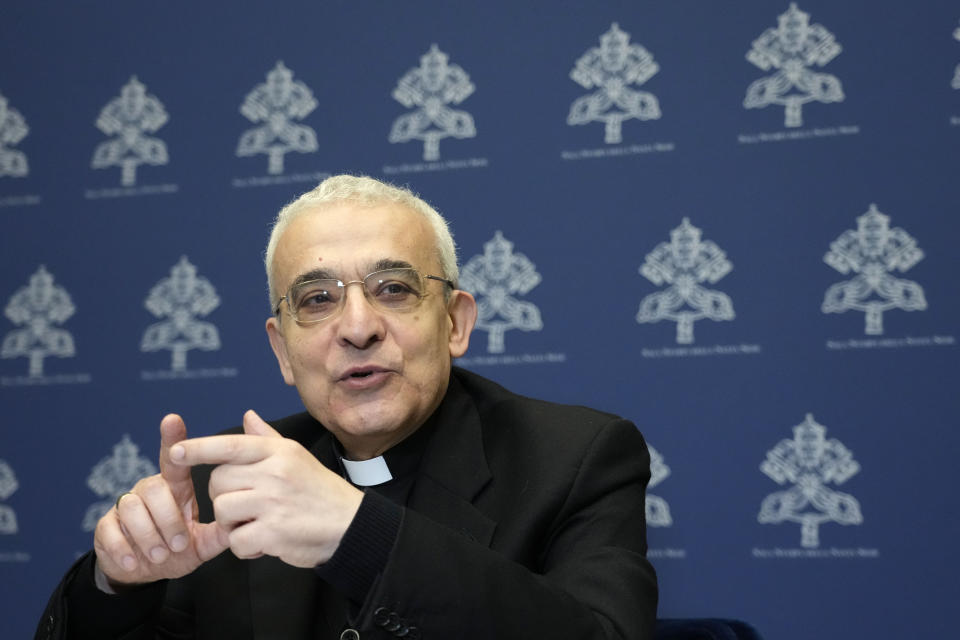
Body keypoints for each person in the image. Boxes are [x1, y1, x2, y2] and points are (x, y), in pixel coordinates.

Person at [36, 175, 658, 639]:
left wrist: (359, 533)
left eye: (393, 289)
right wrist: (117, 585)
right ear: (282, 351)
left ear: (455, 323)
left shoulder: (575, 459)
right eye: (316, 299)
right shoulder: (219, 490)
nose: (358, 327)